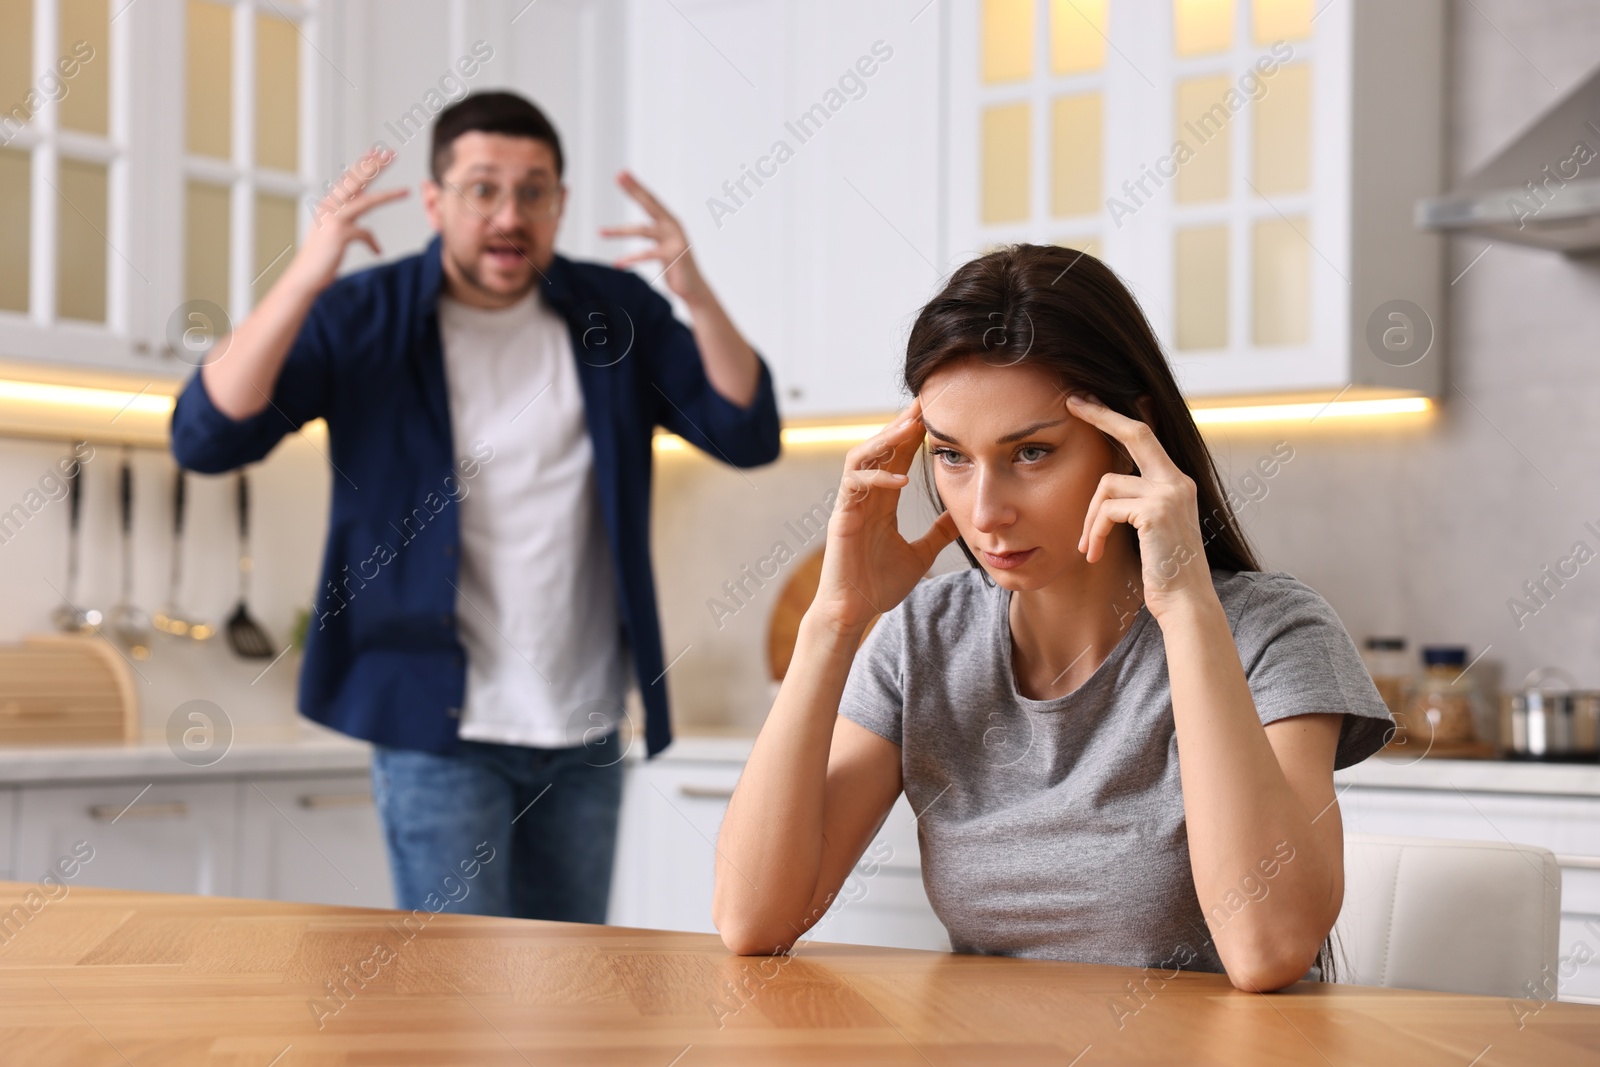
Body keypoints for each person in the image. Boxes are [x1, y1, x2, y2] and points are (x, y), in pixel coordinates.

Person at [711, 244, 1392, 992]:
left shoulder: (1272, 632)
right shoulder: (923, 639)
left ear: (1131, 438)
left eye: (1031, 452)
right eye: (952, 457)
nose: (984, 510)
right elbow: (754, 918)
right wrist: (834, 621)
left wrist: (1186, 604)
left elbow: (1268, 949)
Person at [171, 92, 781, 921]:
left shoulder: (613, 312)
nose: (510, 213)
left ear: (560, 204)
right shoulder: (367, 316)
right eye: (483, 188)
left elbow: (745, 432)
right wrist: (308, 275)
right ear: (435, 201)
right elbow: (208, 437)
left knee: (570, 993)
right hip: (438, 727)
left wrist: (696, 295)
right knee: (455, 997)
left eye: (534, 191)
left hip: (586, 723)